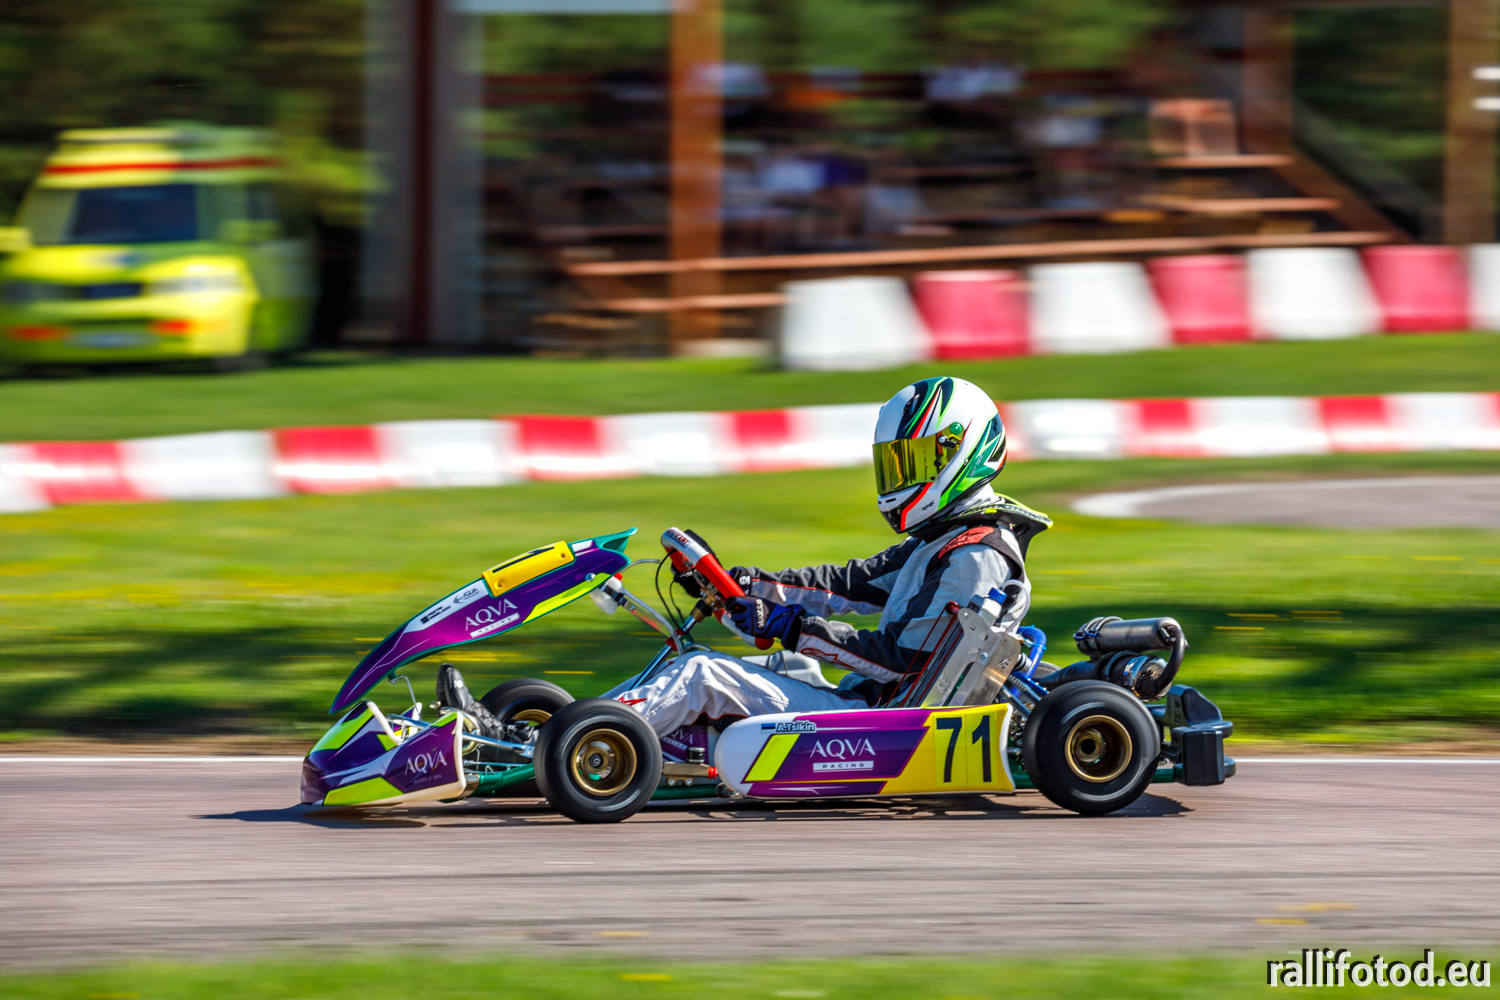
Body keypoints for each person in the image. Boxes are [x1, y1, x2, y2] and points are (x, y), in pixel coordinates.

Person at [599, 375, 1052, 740]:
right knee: (777, 665)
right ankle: (590, 724)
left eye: (912, 463)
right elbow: (847, 585)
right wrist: (743, 584)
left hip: (890, 725)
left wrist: (792, 627)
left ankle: (590, 736)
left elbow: (902, 661)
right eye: (895, 464)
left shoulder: (975, 556)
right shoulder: (945, 538)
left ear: (960, 454)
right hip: (875, 703)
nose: (900, 478)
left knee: (703, 675)